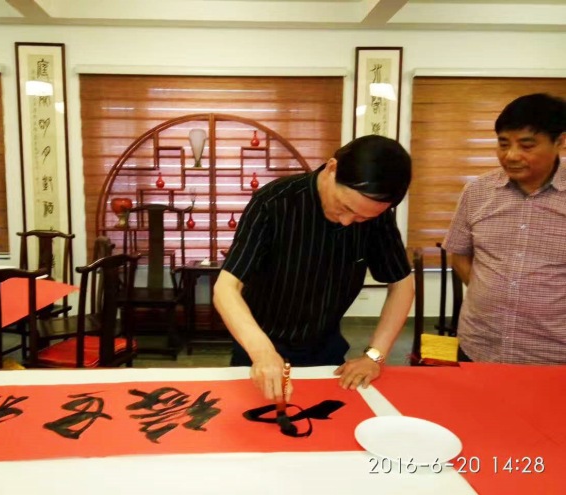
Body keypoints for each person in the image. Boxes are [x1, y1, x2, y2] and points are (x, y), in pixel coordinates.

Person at [213, 135, 414, 401]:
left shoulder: (375, 217)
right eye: (344, 207)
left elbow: (402, 284)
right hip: (258, 344)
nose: (347, 221)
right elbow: (226, 288)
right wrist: (262, 351)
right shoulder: (274, 202)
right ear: (332, 168)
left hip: (326, 350)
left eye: (361, 218)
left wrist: (374, 356)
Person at [442, 93, 566, 364]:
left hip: (553, 353)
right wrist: (489, 292)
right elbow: (460, 256)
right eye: (503, 144)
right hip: (480, 344)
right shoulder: (477, 191)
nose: (511, 156)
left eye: (527, 145)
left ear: (560, 141)